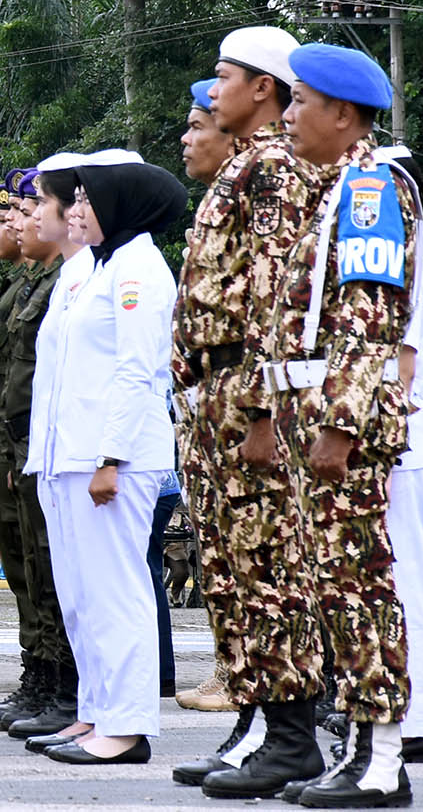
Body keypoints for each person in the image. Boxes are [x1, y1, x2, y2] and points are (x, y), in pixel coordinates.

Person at [252, 44, 418, 804]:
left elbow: (368, 323)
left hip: (340, 423)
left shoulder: (369, 189)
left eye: (301, 104)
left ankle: (383, 756)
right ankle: (356, 748)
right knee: (332, 591)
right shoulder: (336, 188)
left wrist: (341, 426)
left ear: (344, 115)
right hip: (314, 416)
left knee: (359, 589)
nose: (288, 117)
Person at [170, 25, 332, 797]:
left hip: (250, 395)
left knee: (269, 569)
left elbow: (275, 296)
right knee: (232, 573)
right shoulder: (244, 168)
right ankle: (257, 719)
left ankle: (292, 731)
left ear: (262, 87)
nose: (214, 88)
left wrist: (265, 409)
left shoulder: (272, 168)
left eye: (224, 75)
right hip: (221, 394)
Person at [35, 158, 186, 766]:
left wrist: (110, 458)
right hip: (73, 455)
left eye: (86, 202)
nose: (75, 212)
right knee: (83, 594)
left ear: (118, 205)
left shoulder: (139, 271)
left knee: (117, 591)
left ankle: (126, 726)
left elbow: (135, 371)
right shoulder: (99, 268)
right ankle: (96, 711)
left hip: (112, 459)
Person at [0, 171, 75, 734]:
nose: (9, 224)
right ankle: (38, 675)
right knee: (24, 566)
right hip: (9, 443)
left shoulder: (61, 280)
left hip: (33, 442)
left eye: (20, 210)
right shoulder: (25, 286)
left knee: (46, 566)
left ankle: (59, 681)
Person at [9, 155, 99, 746]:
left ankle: (78, 696)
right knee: (44, 575)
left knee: (91, 590)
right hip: (39, 448)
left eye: (38, 202)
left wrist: (110, 457)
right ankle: (62, 691)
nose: (27, 216)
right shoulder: (64, 278)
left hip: (87, 455)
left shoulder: (107, 272)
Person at [175, 76, 243, 717]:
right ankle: (242, 687)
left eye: (199, 126)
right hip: (211, 407)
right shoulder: (219, 201)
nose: (186, 137)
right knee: (225, 562)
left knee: (263, 569)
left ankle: (273, 712)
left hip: (247, 406)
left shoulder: (264, 187)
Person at [377, 145, 423, 770]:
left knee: (400, 587)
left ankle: (413, 718)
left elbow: (402, 366)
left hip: (400, 442)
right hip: (397, 441)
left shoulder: (401, 256)